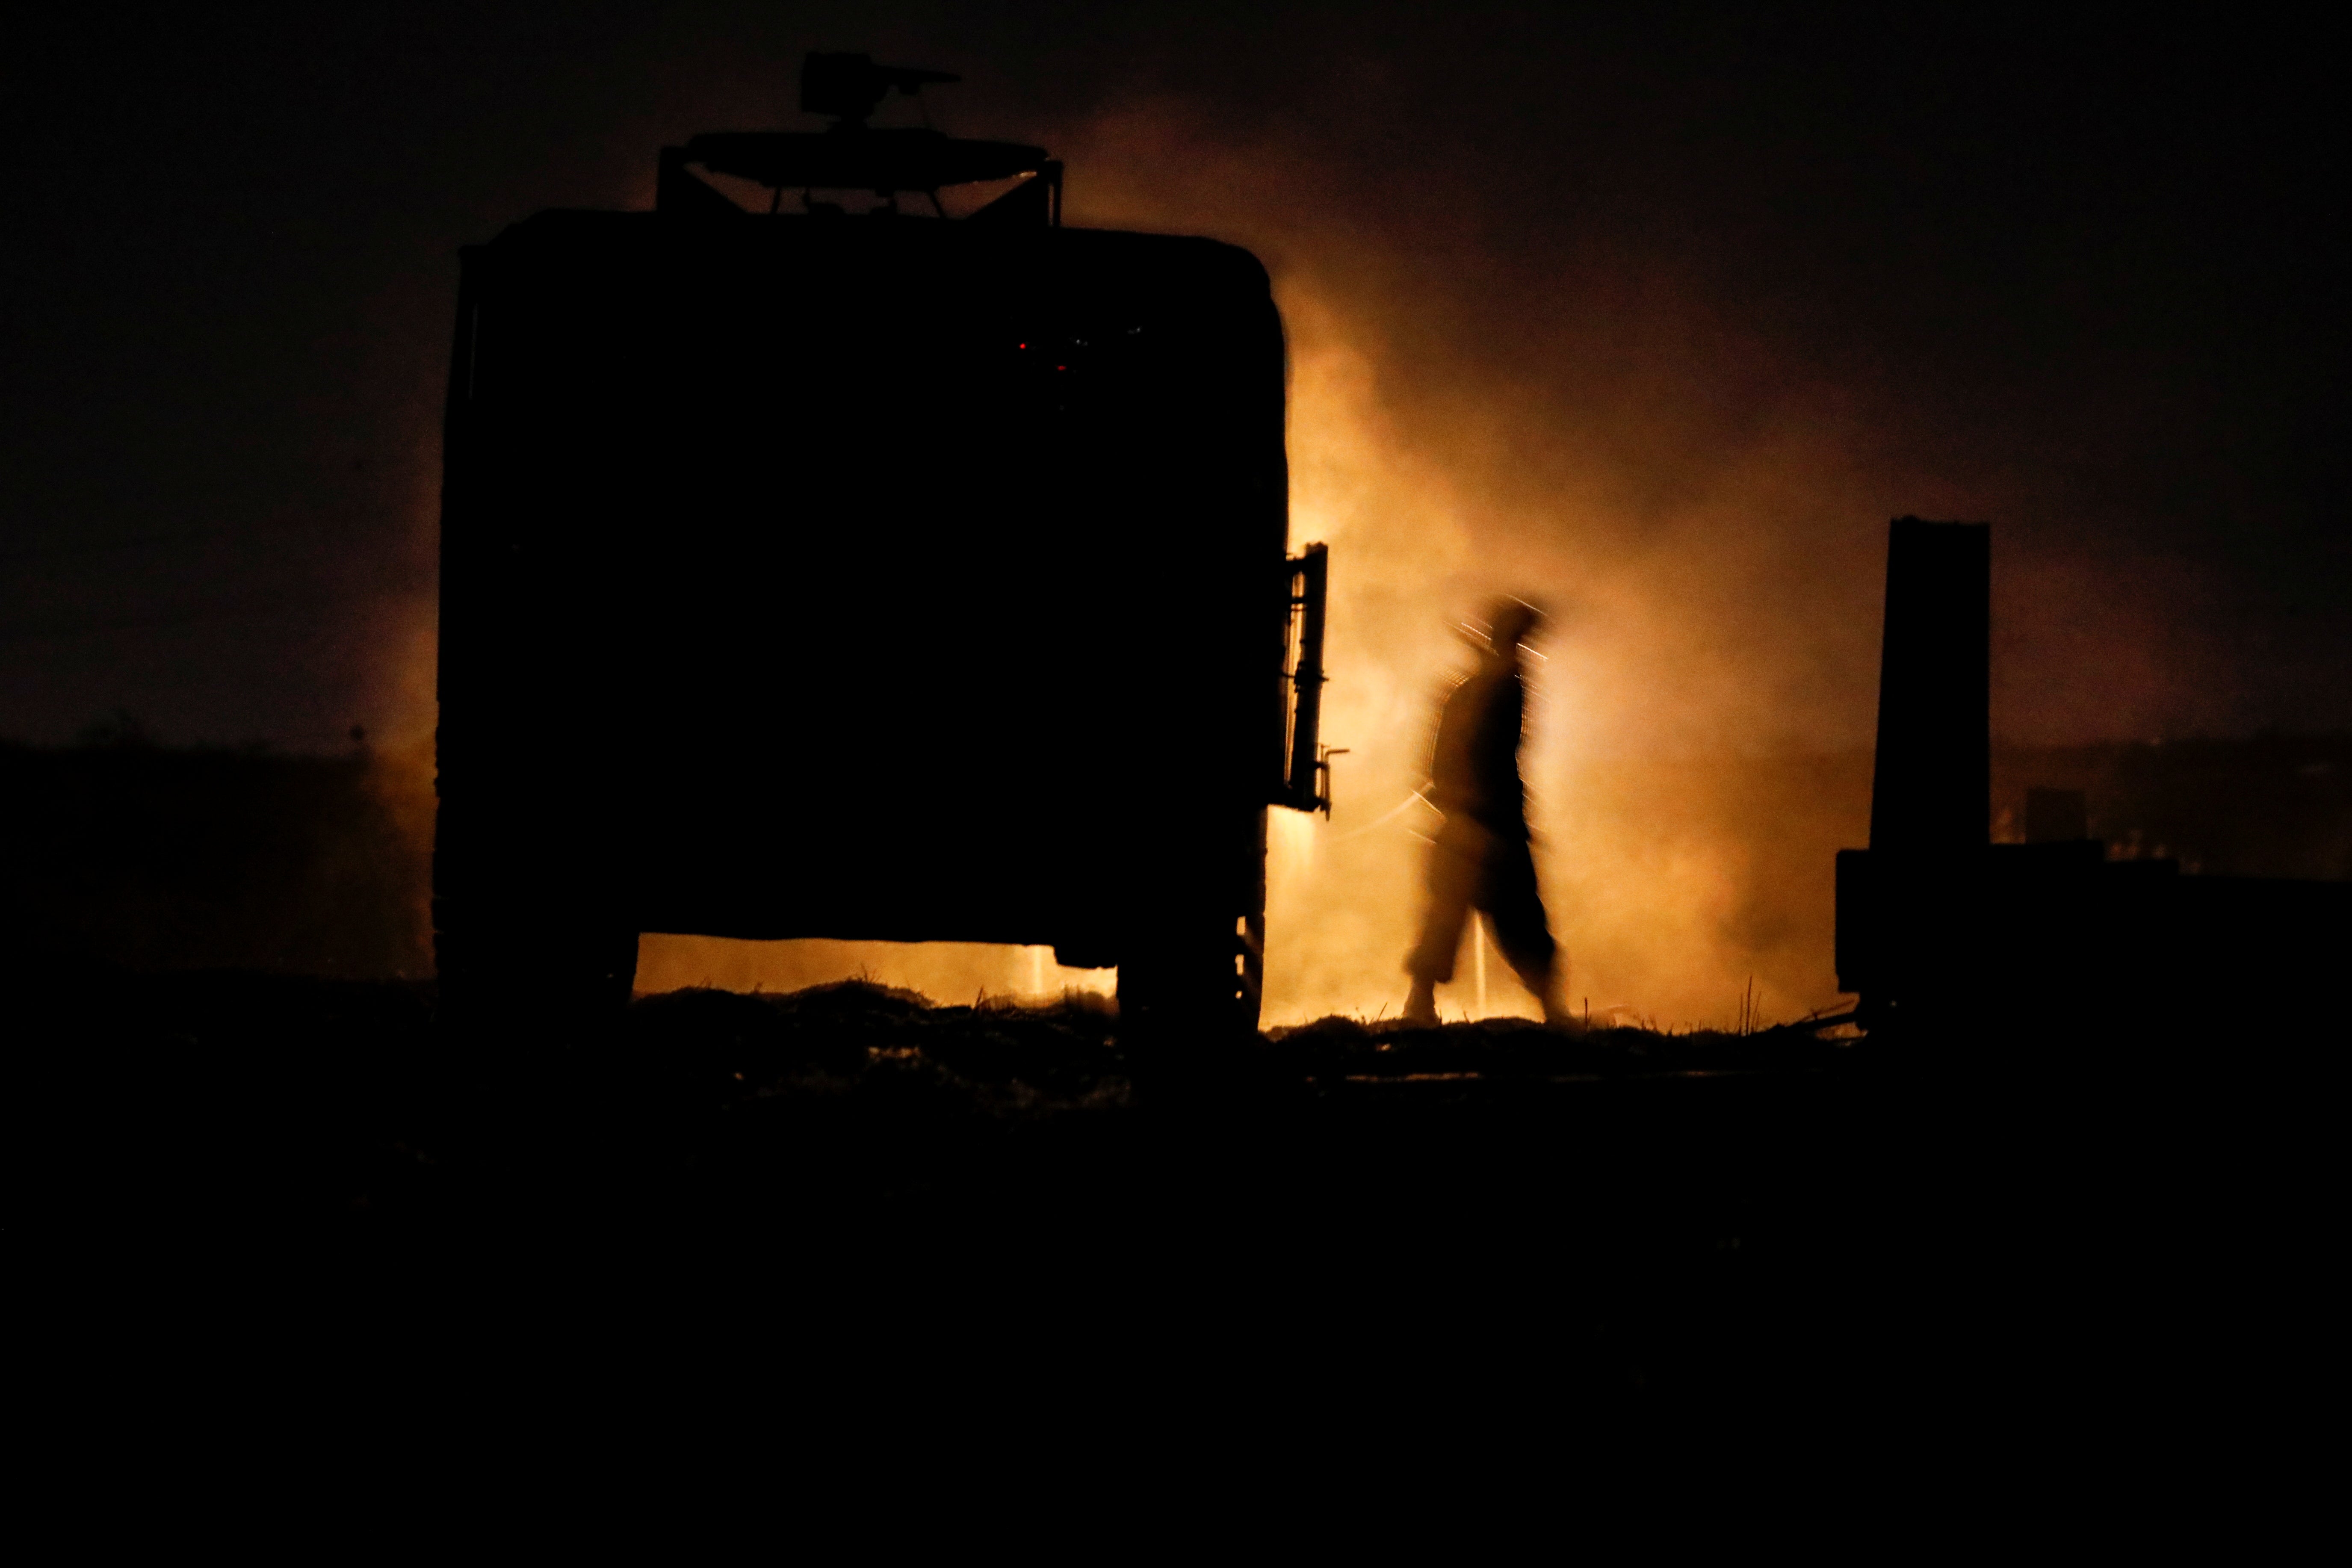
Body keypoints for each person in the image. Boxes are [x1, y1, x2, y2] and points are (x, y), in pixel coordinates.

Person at [1404, 598, 1575, 1028]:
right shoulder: (1498, 689)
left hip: (1469, 823)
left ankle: (1420, 1006)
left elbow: (1439, 761)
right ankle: (1552, 1013)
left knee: (1450, 917)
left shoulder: (1479, 688)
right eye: (1522, 641)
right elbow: (1479, 756)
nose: (1525, 650)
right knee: (1511, 918)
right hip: (1487, 826)